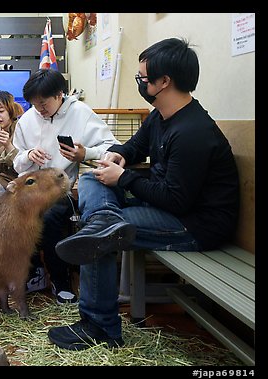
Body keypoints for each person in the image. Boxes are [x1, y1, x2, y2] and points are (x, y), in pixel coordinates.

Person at [48, 37, 240, 350]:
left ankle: (100, 326)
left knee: (102, 236)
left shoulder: (193, 132)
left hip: (196, 223)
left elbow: (177, 200)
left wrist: (123, 178)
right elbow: (136, 145)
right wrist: (119, 155)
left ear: (164, 81)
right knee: (94, 182)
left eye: (142, 78)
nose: (139, 81)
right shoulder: (161, 116)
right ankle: (104, 223)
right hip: (168, 203)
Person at [13, 69, 121, 304]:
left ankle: (60, 280)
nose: (39, 110)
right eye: (34, 104)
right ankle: (32, 271)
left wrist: (85, 153)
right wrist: (29, 154)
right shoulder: (28, 119)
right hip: (30, 186)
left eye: (43, 103)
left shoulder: (80, 113)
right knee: (9, 212)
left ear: (60, 94)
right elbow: (17, 161)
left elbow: (113, 148)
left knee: (49, 217)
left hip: (59, 189)